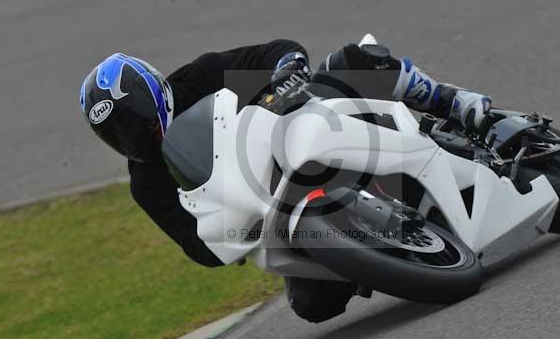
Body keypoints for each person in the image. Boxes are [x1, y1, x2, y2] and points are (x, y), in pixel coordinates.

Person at [79, 37, 491, 322]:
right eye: (119, 135)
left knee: (351, 61)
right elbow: (196, 244)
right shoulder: (146, 181)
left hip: (304, 132)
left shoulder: (201, 76)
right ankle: (378, 253)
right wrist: (229, 234)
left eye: (137, 124)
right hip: (274, 211)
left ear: (153, 92)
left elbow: (277, 50)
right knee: (313, 304)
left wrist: (287, 70)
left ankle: (450, 101)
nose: (136, 140)